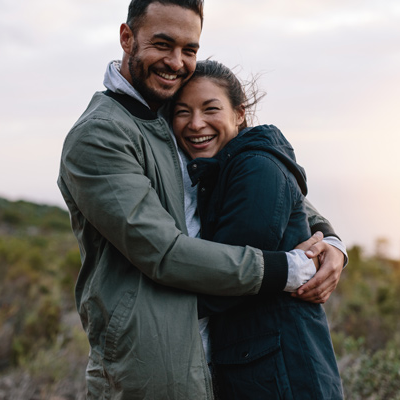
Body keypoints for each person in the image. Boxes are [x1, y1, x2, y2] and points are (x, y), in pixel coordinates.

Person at [57, 1, 346, 398]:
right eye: (162, 44)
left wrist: (328, 238)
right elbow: (162, 251)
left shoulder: (169, 113)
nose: (176, 62)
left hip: (224, 358)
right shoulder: (100, 135)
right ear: (127, 38)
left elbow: (256, 184)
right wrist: (284, 269)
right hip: (152, 367)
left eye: (189, 49)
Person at [172, 59, 344, 399]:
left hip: (282, 373)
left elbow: (226, 278)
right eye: (182, 112)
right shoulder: (222, 168)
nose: (196, 124)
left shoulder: (255, 167)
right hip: (258, 367)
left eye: (210, 109)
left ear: (239, 113)